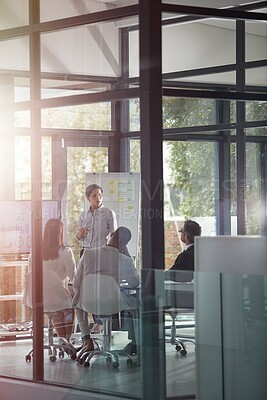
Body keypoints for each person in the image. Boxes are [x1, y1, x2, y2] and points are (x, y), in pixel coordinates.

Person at [72, 227, 140, 359]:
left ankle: (87, 340)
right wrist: (126, 255)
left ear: (112, 235)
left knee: (77, 305)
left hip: (88, 303)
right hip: (113, 303)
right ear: (124, 244)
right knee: (137, 307)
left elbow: (75, 283)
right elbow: (134, 283)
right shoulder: (124, 260)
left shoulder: (88, 254)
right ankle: (137, 345)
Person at [27, 218, 77, 353]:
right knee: (71, 305)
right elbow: (74, 277)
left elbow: (30, 274)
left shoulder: (35, 251)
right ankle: (66, 339)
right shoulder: (66, 251)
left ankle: (63, 339)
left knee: (54, 308)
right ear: (60, 233)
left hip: (37, 296)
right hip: (58, 296)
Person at [75, 183, 118, 333]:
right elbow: (78, 238)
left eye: (100, 195)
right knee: (88, 289)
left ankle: (100, 322)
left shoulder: (108, 213)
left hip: (102, 254)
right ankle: (95, 320)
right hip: (86, 254)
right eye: (94, 195)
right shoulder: (83, 215)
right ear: (88, 198)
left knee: (101, 288)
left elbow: (114, 235)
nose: (98, 198)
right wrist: (80, 234)